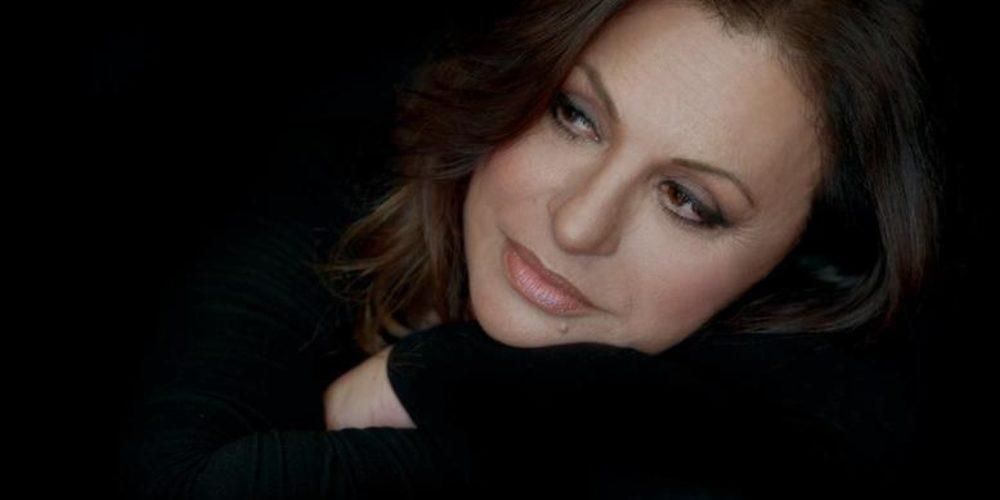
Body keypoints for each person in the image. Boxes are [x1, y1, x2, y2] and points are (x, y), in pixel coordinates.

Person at [117, 0, 946, 498]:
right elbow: (191, 485)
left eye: (687, 202)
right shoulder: (345, 174)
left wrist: (446, 376)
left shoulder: (824, 411)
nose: (579, 225)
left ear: (799, 261)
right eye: (575, 117)